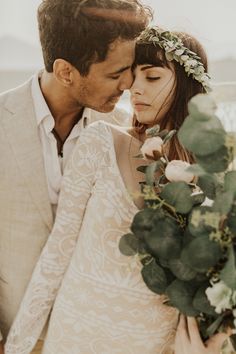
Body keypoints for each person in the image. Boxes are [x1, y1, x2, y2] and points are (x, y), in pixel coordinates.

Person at [5, 27, 225, 354]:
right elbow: (58, 250)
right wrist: (17, 345)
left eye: (151, 77)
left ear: (186, 85)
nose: (133, 89)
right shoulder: (102, 141)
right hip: (76, 334)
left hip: (156, 341)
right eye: (130, 77)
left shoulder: (214, 176)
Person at [0, 0, 152, 351]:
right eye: (116, 74)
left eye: (131, 70)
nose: (129, 84)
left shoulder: (130, 130)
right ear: (66, 71)